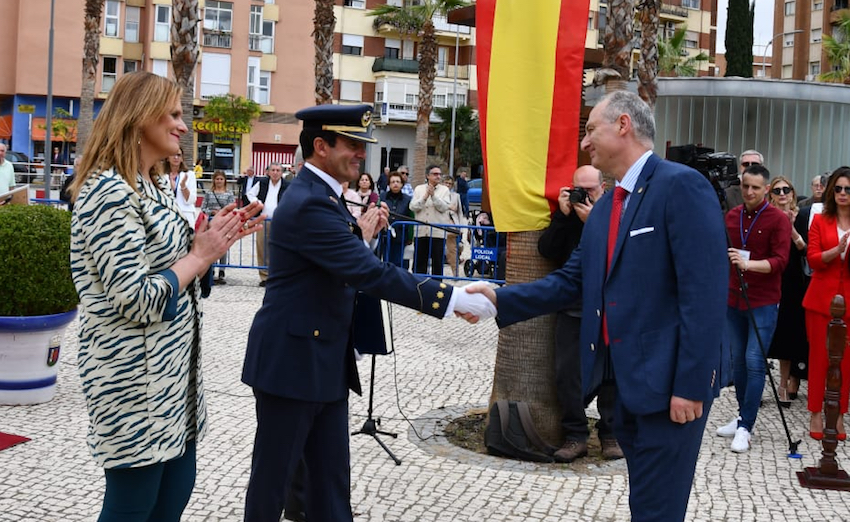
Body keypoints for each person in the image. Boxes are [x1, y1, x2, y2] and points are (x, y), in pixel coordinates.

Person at [461, 91, 727, 522]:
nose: (585, 142)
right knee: (645, 502)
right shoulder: (606, 209)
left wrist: (691, 385)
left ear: (623, 125)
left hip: (669, 387)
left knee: (659, 508)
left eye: (590, 130)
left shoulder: (679, 185)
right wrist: (498, 300)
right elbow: (572, 282)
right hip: (623, 386)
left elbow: (706, 292)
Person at [240, 103, 492, 522]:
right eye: (353, 144)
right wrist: (452, 298)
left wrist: (359, 234)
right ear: (320, 146)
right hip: (291, 365)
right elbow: (365, 272)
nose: (362, 154)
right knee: (274, 485)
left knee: (330, 485)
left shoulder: (322, 196)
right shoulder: (308, 202)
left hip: (324, 361)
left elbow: (332, 257)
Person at [67, 71, 264, 522]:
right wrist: (198, 256)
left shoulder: (150, 185)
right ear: (139, 118)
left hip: (173, 377)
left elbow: (173, 263)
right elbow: (134, 296)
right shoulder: (107, 192)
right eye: (174, 114)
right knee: (132, 507)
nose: (183, 125)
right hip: (133, 380)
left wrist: (213, 238)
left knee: (173, 494)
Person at [536, 165, 621, 462]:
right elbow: (546, 250)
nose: (584, 195)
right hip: (572, 307)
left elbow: (619, 254)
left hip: (608, 305)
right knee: (567, 373)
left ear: (603, 188)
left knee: (611, 373)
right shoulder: (568, 216)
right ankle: (575, 435)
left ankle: (610, 434)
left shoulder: (615, 213)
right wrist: (562, 214)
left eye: (591, 190)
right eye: (579, 189)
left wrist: (594, 222)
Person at [716, 164, 790, 453]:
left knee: (754, 360)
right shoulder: (732, 217)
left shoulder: (777, 219)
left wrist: (748, 265)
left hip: (763, 300)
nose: (749, 192)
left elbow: (781, 261)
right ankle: (742, 416)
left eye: (755, 188)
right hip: (733, 299)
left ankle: (746, 426)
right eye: (745, 186)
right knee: (737, 361)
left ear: (767, 190)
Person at [803, 166, 850, 441]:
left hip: (849, 299)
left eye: (848, 189)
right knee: (819, 357)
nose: (843, 193)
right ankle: (815, 412)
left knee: (845, 361)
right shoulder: (821, 219)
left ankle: (840, 413)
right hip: (821, 297)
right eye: (839, 188)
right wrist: (837, 250)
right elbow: (813, 259)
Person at [765, 177, 809, 407]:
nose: (782, 193)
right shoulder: (767, 217)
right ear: (770, 194)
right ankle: (759, 385)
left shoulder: (801, 216)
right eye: (777, 190)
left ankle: (785, 383)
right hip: (770, 277)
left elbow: (806, 251)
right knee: (766, 333)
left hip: (793, 281)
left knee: (788, 333)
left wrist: (791, 230)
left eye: (786, 189)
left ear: (793, 193)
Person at [247, 162, 289, 287]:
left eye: (278, 170)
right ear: (268, 172)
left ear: (282, 172)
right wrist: (257, 202)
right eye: (273, 170)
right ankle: (264, 276)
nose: (275, 173)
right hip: (263, 219)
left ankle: (277, 274)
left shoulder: (287, 185)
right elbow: (250, 194)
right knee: (262, 247)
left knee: (278, 248)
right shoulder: (262, 183)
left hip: (279, 221)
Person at [409, 165, 452, 276]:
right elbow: (413, 207)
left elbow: (444, 207)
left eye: (439, 174)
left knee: (437, 264)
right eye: (435, 174)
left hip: (438, 233)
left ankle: (437, 290)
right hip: (421, 231)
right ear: (427, 175)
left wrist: (433, 196)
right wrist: (424, 197)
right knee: (419, 263)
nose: (438, 176)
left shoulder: (445, 190)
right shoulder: (419, 189)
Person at [201, 171, 237, 284]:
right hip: (211, 223)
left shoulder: (229, 194)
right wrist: (211, 212)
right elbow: (203, 208)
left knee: (223, 247)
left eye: (221, 179)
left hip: (224, 223)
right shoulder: (209, 194)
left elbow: (232, 208)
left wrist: (222, 212)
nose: (219, 181)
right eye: (217, 179)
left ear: (225, 180)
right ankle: (211, 269)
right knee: (211, 246)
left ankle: (222, 270)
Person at [379, 171, 413, 268]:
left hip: (402, 236)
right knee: (386, 262)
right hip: (385, 235)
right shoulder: (382, 197)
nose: (395, 184)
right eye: (393, 182)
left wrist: (410, 237)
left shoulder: (407, 199)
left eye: (398, 182)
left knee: (400, 263)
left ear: (402, 184)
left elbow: (411, 218)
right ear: (389, 184)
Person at [163, 147, 198, 228]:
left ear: (182, 159)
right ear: (167, 158)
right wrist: (171, 188)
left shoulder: (189, 175)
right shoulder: (162, 175)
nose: (176, 157)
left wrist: (183, 186)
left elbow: (191, 200)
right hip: (167, 213)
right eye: (173, 155)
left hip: (185, 213)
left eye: (179, 155)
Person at [442, 174, 463, 277]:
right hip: (440, 223)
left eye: (450, 183)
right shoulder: (438, 194)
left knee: (452, 249)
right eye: (446, 183)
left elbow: (460, 212)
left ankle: (455, 272)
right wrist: (449, 207)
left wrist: (461, 226)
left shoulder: (456, 196)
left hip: (452, 224)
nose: (448, 185)